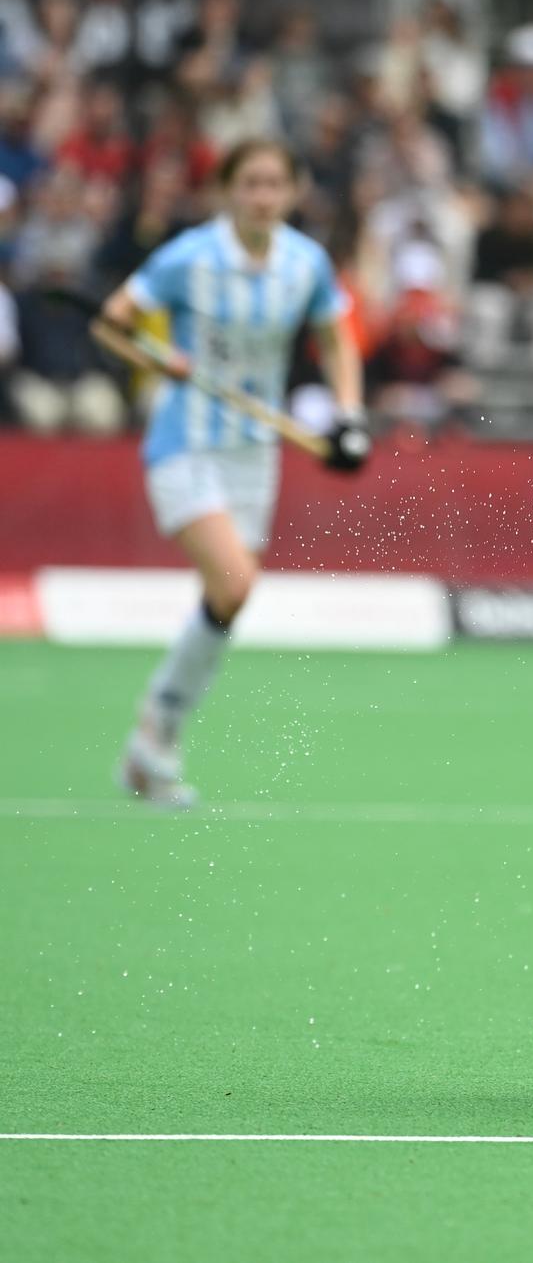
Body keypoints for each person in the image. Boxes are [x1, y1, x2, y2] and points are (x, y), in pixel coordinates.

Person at [95, 138, 370, 806]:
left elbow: (336, 338)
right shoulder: (190, 256)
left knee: (231, 597)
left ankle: (153, 739)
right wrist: (158, 357)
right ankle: (153, 732)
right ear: (227, 190)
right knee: (234, 577)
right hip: (185, 442)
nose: (262, 196)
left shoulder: (304, 263)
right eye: (250, 183)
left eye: (275, 183)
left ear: (292, 191)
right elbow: (110, 324)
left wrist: (349, 413)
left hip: (256, 451)